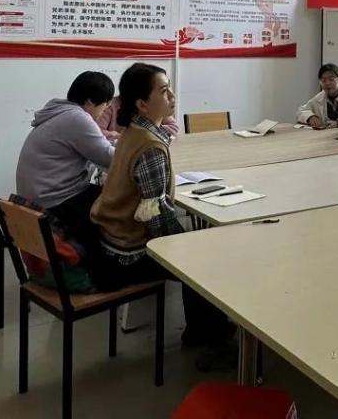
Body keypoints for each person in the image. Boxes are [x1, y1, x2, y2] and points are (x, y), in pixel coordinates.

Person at [90, 62, 235, 370]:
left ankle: (200, 328)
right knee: (206, 256)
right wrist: (188, 245)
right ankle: (215, 341)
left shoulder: (134, 131)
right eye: (164, 91)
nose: (172, 96)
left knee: (197, 245)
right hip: (126, 252)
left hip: (111, 238)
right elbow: (156, 216)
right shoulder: (150, 145)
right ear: (142, 104)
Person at [15, 71, 116, 243]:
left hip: (38, 196)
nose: (105, 110)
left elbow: (98, 146)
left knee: (106, 197)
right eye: (105, 104)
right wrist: (134, 150)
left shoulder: (61, 112)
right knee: (116, 205)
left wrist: (119, 146)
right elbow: (107, 157)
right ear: (90, 101)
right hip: (53, 201)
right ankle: (101, 254)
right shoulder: (77, 118)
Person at [296, 63, 338, 129]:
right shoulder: (319, 98)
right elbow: (300, 112)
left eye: (331, 79)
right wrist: (310, 117)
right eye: (323, 80)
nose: (327, 83)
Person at [96, 96, 180, 141]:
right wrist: (117, 135)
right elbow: (97, 132)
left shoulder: (156, 103)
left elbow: (173, 127)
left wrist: (145, 132)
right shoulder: (111, 105)